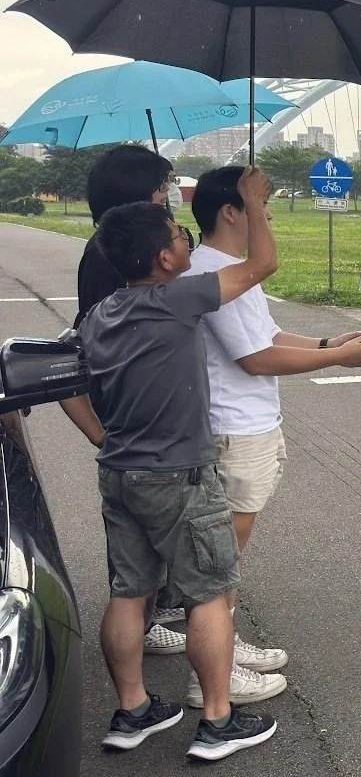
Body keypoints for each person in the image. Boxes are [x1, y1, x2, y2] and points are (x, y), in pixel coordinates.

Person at [79, 168, 280, 761]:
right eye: (178, 237)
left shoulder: (101, 315)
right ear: (164, 259)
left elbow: (65, 382)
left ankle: (133, 710)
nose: (186, 244)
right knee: (209, 594)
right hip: (182, 476)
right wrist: (253, 203)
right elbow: (261, 265)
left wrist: (102, 434)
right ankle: (217, 721)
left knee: (129, 592)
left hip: (120, 472)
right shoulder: (178, 299)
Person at [182, 166, 361, 705]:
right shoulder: (216, 273)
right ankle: (214, 682)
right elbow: (255, 359)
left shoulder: (228, 271)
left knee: (226, 556)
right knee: (223, 559)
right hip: (235, 432)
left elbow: (264, 334)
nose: (268, 217)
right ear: (233, 211)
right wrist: (338, 358)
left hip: (244, 428)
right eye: (262, 207)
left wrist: (325, 341)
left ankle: (225, 644)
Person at [64, 144, 190, 659]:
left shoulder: (103, 247)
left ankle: (146, 616)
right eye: (162, 190)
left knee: (133, 532)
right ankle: (149, 620)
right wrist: (100, 433)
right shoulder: (114, 259)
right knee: (147, 534)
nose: (168, 198)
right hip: (135, 407)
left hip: (124, 408)